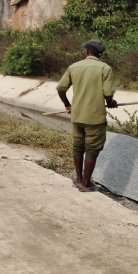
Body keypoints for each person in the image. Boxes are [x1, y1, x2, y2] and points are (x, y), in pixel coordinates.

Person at [57, 40, 118, 192]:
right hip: (95, 118)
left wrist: (67, 104)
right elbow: (108, 93)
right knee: (92, 150)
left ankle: (78, 180)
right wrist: (111, 102)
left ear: (87, 52)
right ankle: (85, 184)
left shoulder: (74, 67)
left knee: (78, 147)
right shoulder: (105, 68)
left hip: (77, 117)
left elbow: (60, 88)